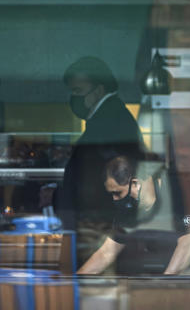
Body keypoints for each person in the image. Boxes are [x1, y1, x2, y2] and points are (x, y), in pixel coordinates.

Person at [56, 57, 144, 263]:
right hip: (98, 229)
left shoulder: (109, 122)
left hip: (97, 230)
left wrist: (60, 197)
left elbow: (103, 181)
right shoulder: (109, 117)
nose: (74, 98)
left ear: (99, 89)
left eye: (78, 91)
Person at [77, 155, 190, 275]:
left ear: (135, 183)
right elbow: (107, 253)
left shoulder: (179, 192)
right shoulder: (127, 211)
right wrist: (76, 280)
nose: (115, 199)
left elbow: (189, 242)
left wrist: (165, 281)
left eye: (117, 193)